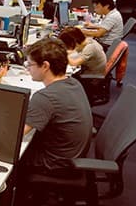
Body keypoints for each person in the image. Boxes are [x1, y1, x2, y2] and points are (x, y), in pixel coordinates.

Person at [21, 39, 92, 174]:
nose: (28, 68)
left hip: (56, 164)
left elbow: (14, 135)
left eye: (30, 64)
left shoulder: (45, 98)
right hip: (71, 155)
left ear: (45, 66)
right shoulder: (73, 83)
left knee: (8, 158)